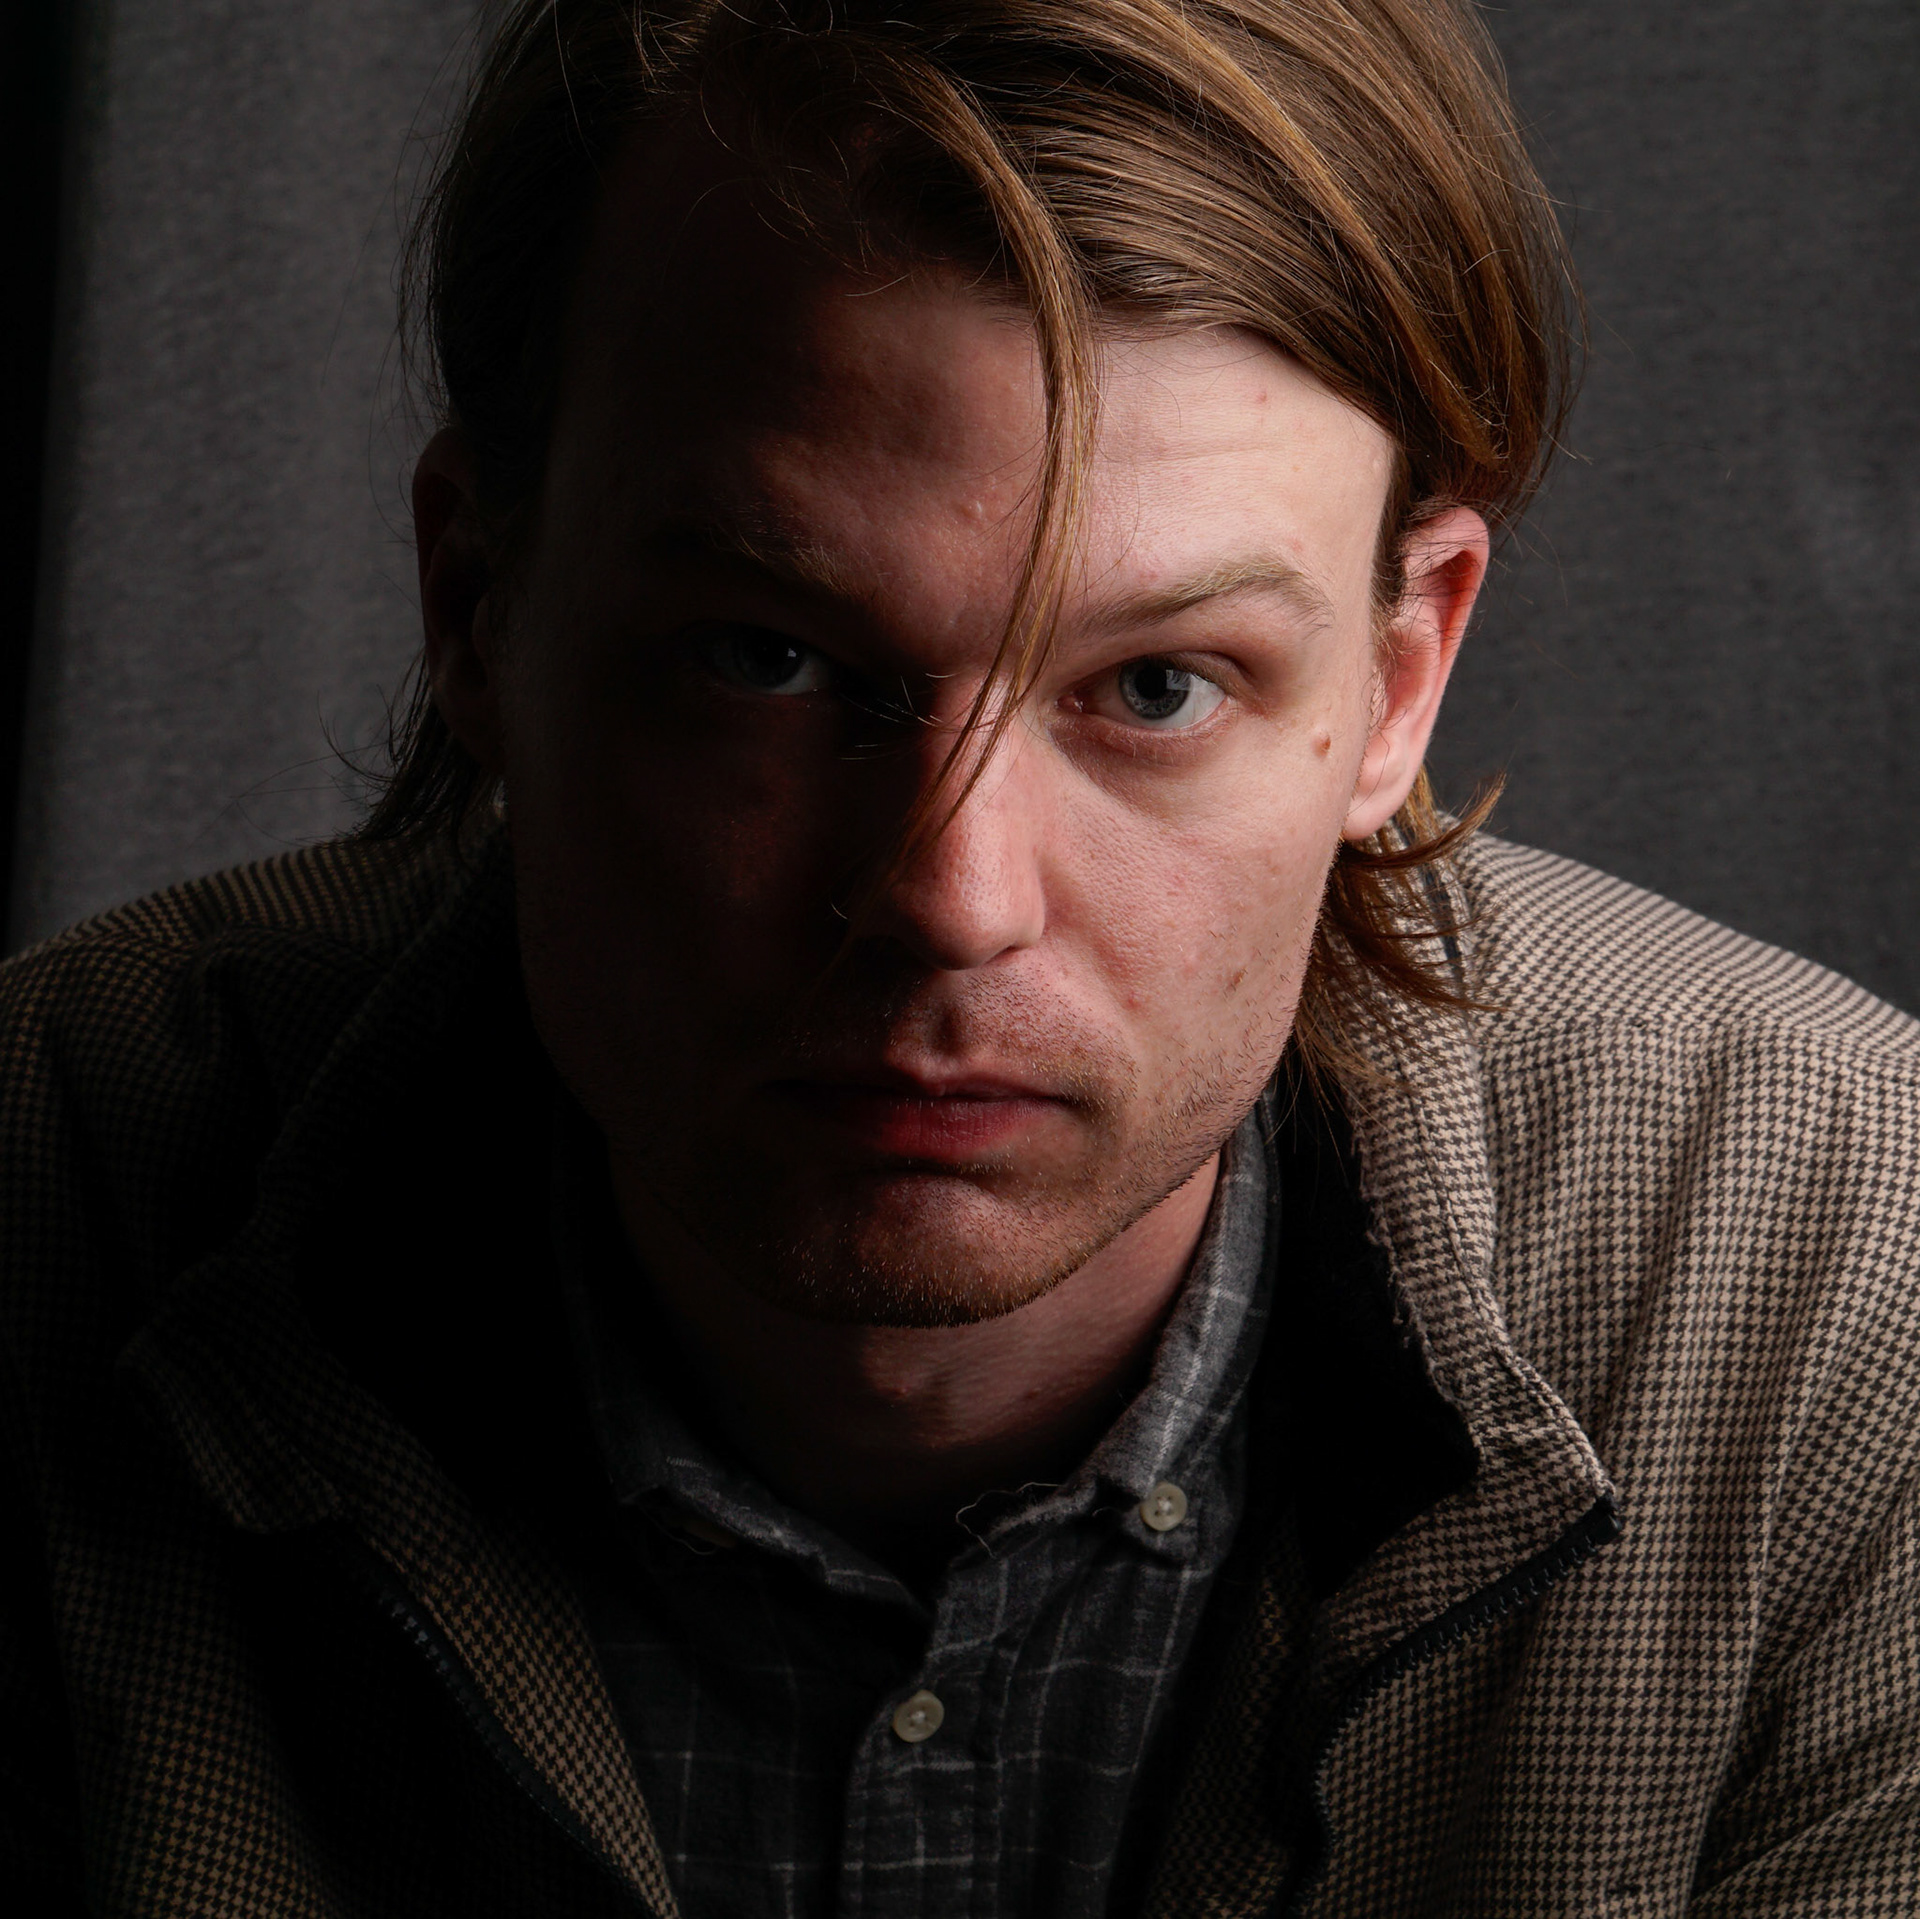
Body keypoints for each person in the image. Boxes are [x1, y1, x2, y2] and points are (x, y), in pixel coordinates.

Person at [5, 0, 1919, 1913]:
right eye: (769, 660)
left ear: (1401, 679)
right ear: (475, 608)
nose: (951, 896)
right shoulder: (43, 1188)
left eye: (1158, 687)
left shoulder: (1838, 1299)